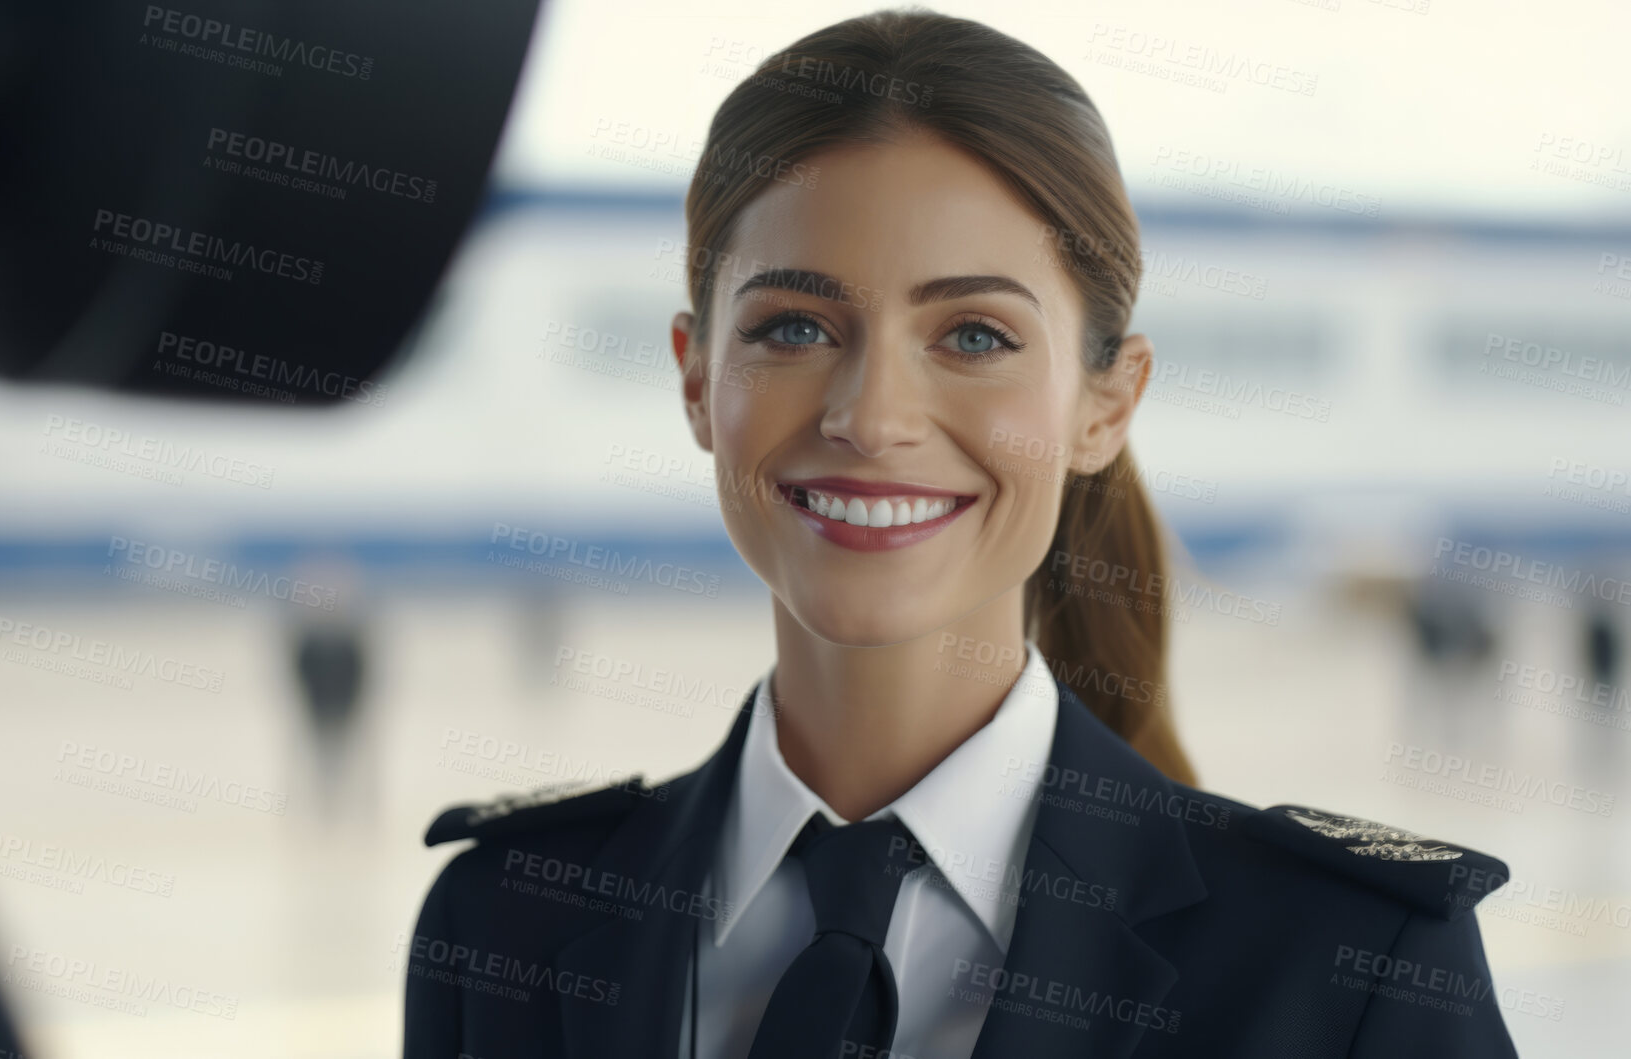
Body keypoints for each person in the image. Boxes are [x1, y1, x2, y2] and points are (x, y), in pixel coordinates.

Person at [402, 9, 1517, 1058]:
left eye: (973, 336)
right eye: (794, 327)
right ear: (696, 380)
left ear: (1105, 405)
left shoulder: (1350, 964)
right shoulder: (501, 919)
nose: (869, 417)